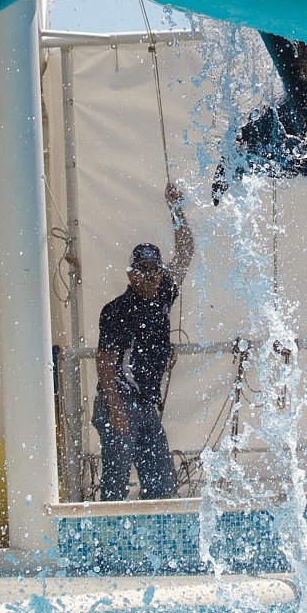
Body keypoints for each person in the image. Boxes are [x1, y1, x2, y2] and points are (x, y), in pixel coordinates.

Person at [93, 180, 194, 500]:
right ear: (131, 274)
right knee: (116, 484)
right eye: (143, 270)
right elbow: (105, 362)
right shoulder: (117, 310)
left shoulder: (163, 296)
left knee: (162, 484)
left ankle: (160, 527)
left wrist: (177, 209)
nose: (150, 276)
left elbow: (186, 252)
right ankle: (108, 533)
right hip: (118, 402)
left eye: (155, 270)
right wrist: (116, 409)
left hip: (145, 405)